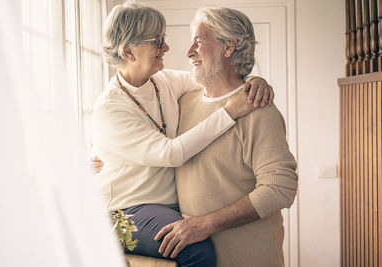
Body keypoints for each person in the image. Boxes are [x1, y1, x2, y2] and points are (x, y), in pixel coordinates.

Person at [93, 1, 274, 266]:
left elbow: (217, 77)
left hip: (164, 206)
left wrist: (255, 81)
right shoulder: (110, 108)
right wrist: (230, 113)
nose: (166, 47)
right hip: (128, 209)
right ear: (129, 51)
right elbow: (172, 153)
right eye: (157, 41)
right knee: (197, 249)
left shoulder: (163, 80)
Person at [154, 7, 298, 267]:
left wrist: (205, 224)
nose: (189, 52)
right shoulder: (183, 103)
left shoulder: (258, 109)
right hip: (194, 260)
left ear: (229, 46)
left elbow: (280, 188)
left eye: (198, 41)